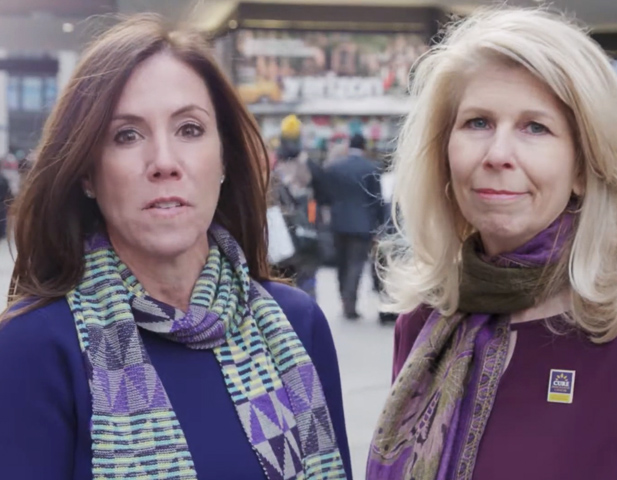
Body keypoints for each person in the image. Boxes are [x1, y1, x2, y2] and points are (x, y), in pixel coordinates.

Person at [367, 7, 617, 480]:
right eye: (477, 123)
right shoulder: (427, 318)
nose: (497, 155)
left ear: (583, 164)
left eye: (536, 127)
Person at [0, 15, 351, 480]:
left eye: (189, 129)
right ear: (87, 174)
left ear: (224, 157)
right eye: (126, 135)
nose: (164, 162)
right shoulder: (32, 348)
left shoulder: (297, 324)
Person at [324, 133, 385, 319]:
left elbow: (328, 196)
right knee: (356, 264)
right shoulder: (372, 168)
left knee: (342, 263)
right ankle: (349, 304)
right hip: (363, 224)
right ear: (364, 147)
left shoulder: (334, 168)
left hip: (338, 222)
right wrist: (380, 224)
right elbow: (377, 200)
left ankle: (344, 298)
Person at [272, 114, 320, 298]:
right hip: (305, 227)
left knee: (286, 276)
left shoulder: (274, 166)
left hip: (283, 231)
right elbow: (321, 188)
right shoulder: (307, 164)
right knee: (306, 275)